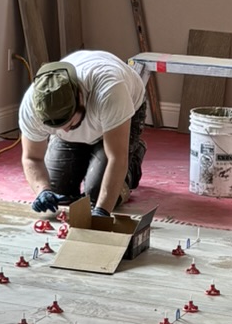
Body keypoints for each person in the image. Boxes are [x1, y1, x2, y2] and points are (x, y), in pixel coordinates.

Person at [18, 51, 147, 215]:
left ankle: (133, 157)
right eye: (57, 128)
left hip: (124, 114)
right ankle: (90, 155)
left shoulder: (110, 91)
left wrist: (102, 212)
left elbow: (117, 158)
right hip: (94, 118)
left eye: (70, 124)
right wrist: (42, 190)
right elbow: (32, 158)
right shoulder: (33, 107)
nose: (65, 130)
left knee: (97, 194)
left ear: (80, 97)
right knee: (58, 193)